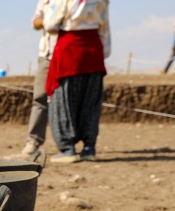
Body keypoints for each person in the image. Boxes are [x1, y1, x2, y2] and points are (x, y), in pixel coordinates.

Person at [44, 0, 110, 163]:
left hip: (69, 50)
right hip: (94, 51)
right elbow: (105, 28)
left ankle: (67, 149)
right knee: (90, 101)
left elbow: (50, 24)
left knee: (63, 101)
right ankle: (89, 148)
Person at [21, 0, 58, 156]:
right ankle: (34, 140)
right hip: (47, 56)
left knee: (68, 100)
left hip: (70, 56)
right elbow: (36, 22)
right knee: (39, 97)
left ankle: (68, 145)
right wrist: (53, 19)